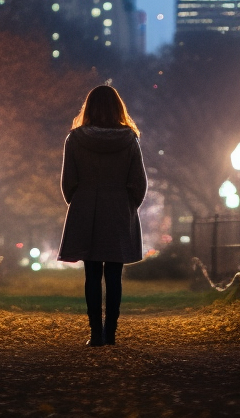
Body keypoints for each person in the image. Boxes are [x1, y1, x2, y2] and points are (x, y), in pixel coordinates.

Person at [56, 84, 148, 347]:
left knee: (92, 275)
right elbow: (138, 182)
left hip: (86, 210)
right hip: (118, 210)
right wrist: (128, 206)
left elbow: (68, 182)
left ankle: (95, 332)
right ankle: (112, 333)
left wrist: (81, 202)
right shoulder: (129, 140)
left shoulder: (74, 139)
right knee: (114, 276)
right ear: (118, 108)